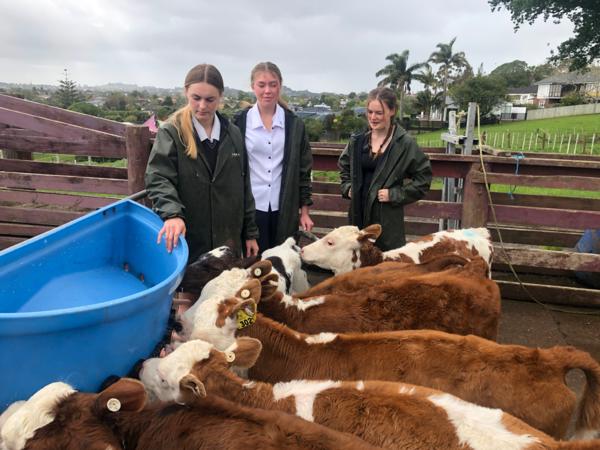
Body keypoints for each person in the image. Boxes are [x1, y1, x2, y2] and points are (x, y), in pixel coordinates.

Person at [145, 63, 259, 262]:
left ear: (221, 96)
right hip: (190, 239)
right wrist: (172, 215)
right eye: (196, 98)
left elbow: (244, 186)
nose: (202, 106)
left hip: (228, 242)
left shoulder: (233, 134)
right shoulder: (172, 132)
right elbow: (158, 177)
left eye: (210, 99)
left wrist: (250, 233)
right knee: (192, 291)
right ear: (186, 92)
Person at [338, 86, 432, 251]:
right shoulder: (358, 141)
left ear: (392, 111)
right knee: (357, 264)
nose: (373, 117)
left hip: (387, 222)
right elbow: (344, 168)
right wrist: (348, 188)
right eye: (370, 112)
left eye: (379, 113)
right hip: (357, 216)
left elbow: (423, 179)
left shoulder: (405, 144)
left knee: (386, 268)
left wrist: (395, 194)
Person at [234, 62, 313, 253]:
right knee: (254, 263)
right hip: (251, 208)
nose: (267, 90)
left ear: (280, 85)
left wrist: (304, 211)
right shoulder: (239, 122)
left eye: (273, 84)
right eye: (262, 85)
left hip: (284, 207)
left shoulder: (294, 125)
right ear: (253, 86)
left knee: (282, 261)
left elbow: (303, 169)